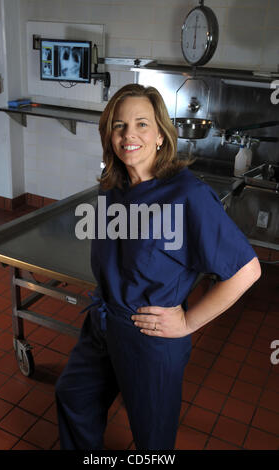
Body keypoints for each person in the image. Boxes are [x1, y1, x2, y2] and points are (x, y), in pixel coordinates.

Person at [55, 84, 261, 450]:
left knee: (152, 438)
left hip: (148, 338)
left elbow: (247, 270)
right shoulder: (112, 187)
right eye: (119, 125)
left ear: (162, 136)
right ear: (108, 133)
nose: (129, 135)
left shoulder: (187, 196)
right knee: (74, 397)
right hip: (103, 323)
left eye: (141, 124)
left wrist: (187, 322)